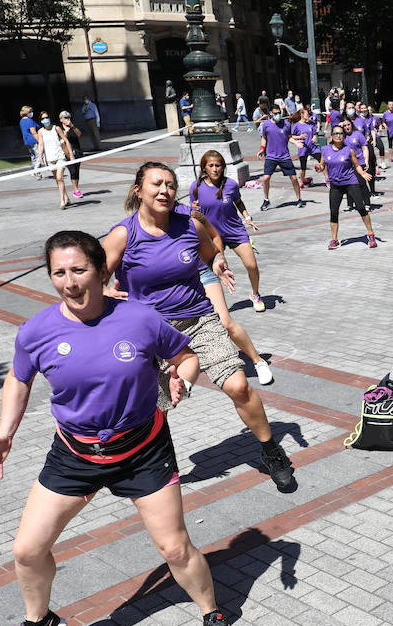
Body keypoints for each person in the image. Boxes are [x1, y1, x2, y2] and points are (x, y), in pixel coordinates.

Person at [0, 229, 242, 626]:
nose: (69, 282)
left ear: (100, 271)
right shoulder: (36, 331)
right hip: (75, 454)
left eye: (79, 270)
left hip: (143, 450)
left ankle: (212, 611)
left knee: (174, 548)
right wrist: (5, 433)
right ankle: (38, 623)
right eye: (59, 272)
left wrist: (182, 379)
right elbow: (19, 379)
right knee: (27, 550)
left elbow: (186, 355)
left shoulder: (139, 319)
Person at [103, 163, 295, 489]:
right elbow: (96, 278)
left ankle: (271, 450)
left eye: (169, 184)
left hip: (199, 319)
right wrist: (107, 290)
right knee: (156, 406)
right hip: (151, 332)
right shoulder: (124, 234)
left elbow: (210, 253)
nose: (164, 190)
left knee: (238, 386)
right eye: (156, 184)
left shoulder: (189, 224)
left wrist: (217, 263)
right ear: (138, 191)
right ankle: (153, 466)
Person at [192, 149, 269, 316]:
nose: (214, 169)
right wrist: (194, 210)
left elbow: (239, 202)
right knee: (216, 270)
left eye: (218, 165)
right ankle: (213, 305)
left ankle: (255, 295)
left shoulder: (231, 184)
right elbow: (193, 213)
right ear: (204, 168)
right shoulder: (196, 187)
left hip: (235, 231)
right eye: (210, 165)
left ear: (223, 167)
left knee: (252, 265)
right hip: (212, 235)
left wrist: (247, 218)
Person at [323, 125, 378, 250]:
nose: (338, 136)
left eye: (341, 133)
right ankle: (334, 240)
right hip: (336, 184)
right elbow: (322, 164)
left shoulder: (349, 150)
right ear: (332, 136)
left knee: (360, 207)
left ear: (344, 136)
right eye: (336, 133)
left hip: (350, 182)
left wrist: (362, 173)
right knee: (334, 212)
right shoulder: (325, 150)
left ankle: (371, 234)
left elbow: (356, 165)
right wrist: (319, 168)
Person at [257, 105, 305, 211]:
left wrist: (296, 143)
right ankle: (266, 200)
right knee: (266, 178)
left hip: (284, 156)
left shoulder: (286, 124)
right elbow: (264, 138)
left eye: (279, 113)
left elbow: (289, 138)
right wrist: (262, 149)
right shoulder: (266, 125)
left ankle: (299, 199)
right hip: (271, 156)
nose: (277, 115)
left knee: (293, 178)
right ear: (271, 113)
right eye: (275, 113)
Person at [36, 111, 75, 209]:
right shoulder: (40, 131)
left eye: (47, 117)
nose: (45, 120)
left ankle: (62, 201)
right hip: (49, 158)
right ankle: (66, 198)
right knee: (58, 180)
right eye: (43, 118)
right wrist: (40, 156)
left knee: (59, 177)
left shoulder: (56, 128)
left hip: (60, 157)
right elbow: (41, 145)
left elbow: (66, 140)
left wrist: (70, 154)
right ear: (40, 120)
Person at [291, 108, 325, 185]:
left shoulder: (311, 123)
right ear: (302, 115)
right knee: (303, 167)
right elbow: (292, 136)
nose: (308, 115)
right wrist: (300, 136)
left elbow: (315, 132)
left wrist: (314, 136)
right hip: (303, 148)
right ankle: (301, 181)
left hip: (312, 148)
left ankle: (328, 179)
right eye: (307, 114)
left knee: (322, 161)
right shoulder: (297, 125)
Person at [57, 111, 86, 199]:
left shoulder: (72, 127)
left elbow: (79, 134)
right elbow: (59, 141)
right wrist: (64, 136)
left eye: (68, 117)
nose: (67, 119)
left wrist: (72, 126)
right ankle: (76, 189)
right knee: (72, 170)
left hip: (77, 151)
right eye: (65, 117)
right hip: (66, 153)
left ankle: (76, 189)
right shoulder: (59, 129)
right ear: (61, 119)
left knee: (76, 171)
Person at [19, 106, 42, 176]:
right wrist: (39, 141)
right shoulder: (29, 121)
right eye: (30, 112)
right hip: (33, 140)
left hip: (27, 141)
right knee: (39, 156)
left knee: (33, 156)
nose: (32, 113)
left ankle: (35, 171)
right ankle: (35, 170)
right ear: (27, 113)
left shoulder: (21, 121)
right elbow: (33, 132)